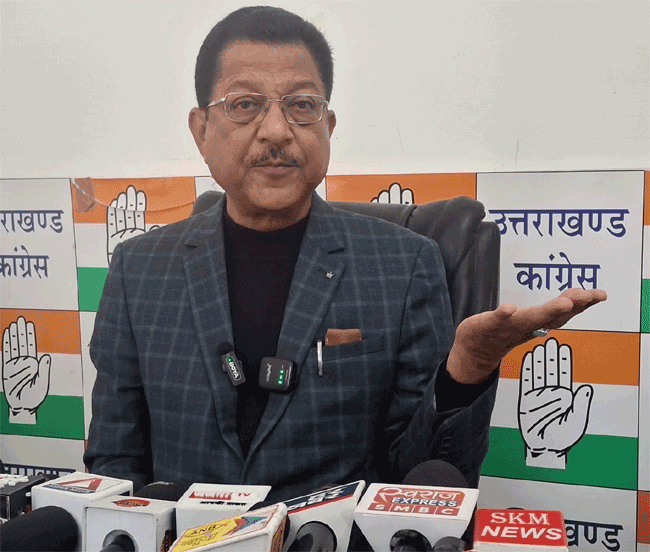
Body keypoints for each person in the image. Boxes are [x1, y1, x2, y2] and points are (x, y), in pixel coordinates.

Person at [84, 6, 606, 506]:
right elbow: (114, 465)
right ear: (201, 130)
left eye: (300, 105)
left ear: (328, 126)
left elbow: (425, 482)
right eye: (244, 104)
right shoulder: (138, 270)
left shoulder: (406, 265)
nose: (276, 131)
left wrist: (466, 369)